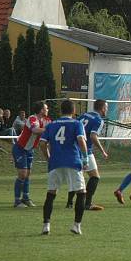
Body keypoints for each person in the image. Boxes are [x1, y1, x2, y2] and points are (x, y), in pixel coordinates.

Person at [38, 99, 89, 235]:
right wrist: (85, 158)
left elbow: (42, 143)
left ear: (60, 111)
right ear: (74, 111)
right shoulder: (77, 123)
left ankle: (46, 225)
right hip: (73, 161)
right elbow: (80, 140)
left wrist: (48, 158)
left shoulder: (51, 125)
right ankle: (76, 225)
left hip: (55, 162)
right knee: (81, 192)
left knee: (51, 193)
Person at [67, 100, 108, 211]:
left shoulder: (84, 115)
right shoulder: (99, 120)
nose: (107, 110)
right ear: (103, 108)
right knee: (95, 176)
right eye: (106, 107)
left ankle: (69, 202)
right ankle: (88, 203)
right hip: (85, 150)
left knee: (78, 175)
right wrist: (102, 151)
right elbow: (93, 136)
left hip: (74, 148)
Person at [11, 101, 50, 208]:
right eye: (46, 108)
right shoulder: (32, 118)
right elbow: (35, 130)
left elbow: (53, 128)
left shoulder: (47, 120)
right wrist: (49, 130)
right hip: (20, 148)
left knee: (27, 174)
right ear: (41, 110)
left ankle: (26, 198)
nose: (48, 110)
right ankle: (17, 200)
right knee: (23, 174)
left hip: (29, 150)